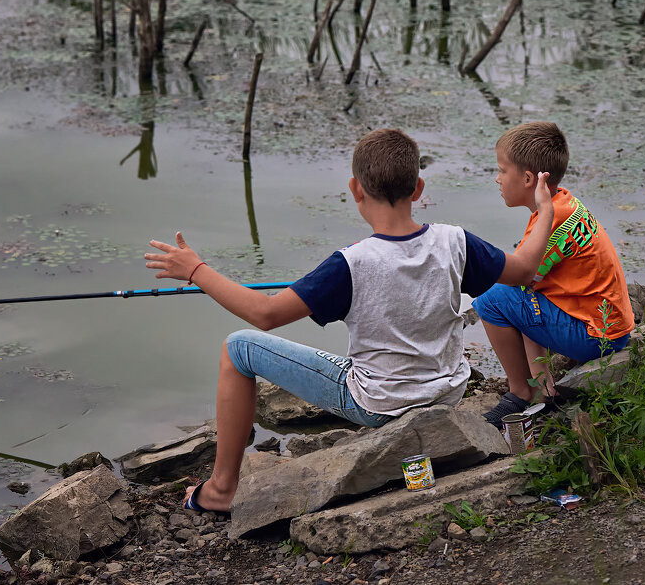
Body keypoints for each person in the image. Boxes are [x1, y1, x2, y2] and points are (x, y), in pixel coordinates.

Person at [144, 128, 555, 514]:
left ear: (355, 189)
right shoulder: (456, 241)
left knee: (239, 348)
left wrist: (196, 269)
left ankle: (220, 489)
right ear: (418, 190)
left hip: (378, 404)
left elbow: (264, 314)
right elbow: (523, 269)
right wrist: (543, 208)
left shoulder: (350, 263)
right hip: (447, 391)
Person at [473, 121, 635, 429]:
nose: (497, 178)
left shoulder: (552, 221)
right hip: (609, 324)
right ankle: (544, 388)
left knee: (491, 299)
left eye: (502, 170)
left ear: (527, 178)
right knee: (517, 294)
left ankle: (522, 391)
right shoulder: (562, 202)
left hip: (596, 337)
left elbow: (516, 278)